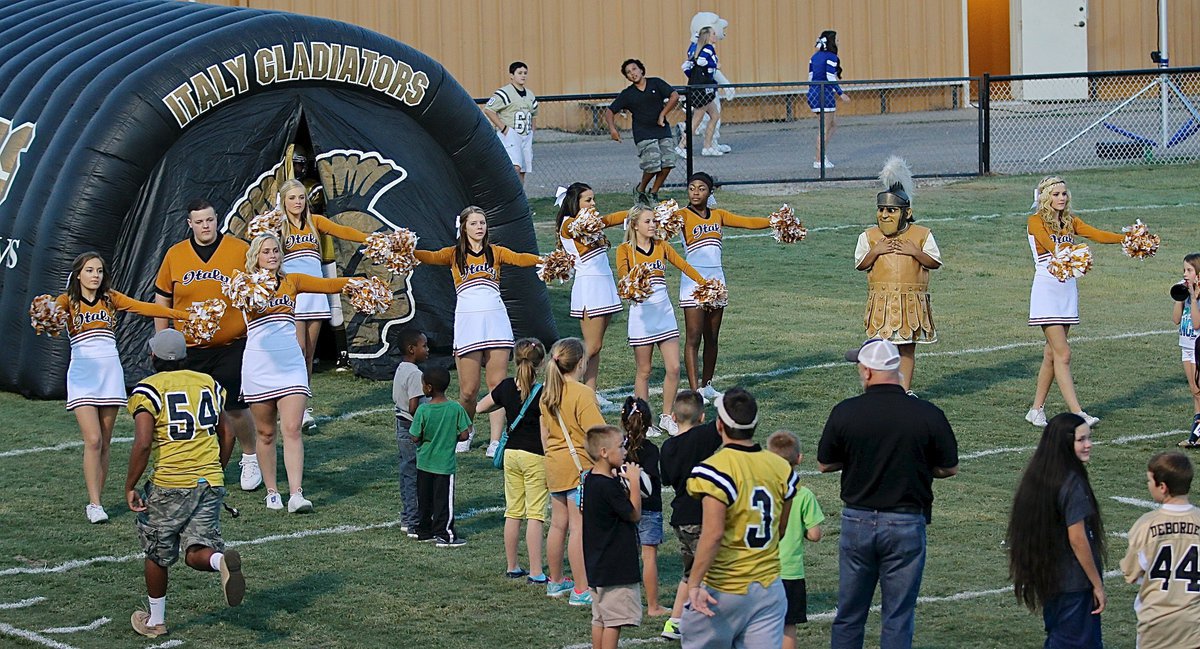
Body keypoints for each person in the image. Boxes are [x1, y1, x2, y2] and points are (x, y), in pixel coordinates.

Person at [818, 338, 959, 649]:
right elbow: (949, 468)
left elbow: (825, 464)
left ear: (868, 372)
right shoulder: (927, 413)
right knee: (897, 616)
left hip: (857, 520)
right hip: (907, 522)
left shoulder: (846, 411)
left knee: (850, 614)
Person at [125, 329, 244, 638]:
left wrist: (130, 485)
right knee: (197, 551)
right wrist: (218, 468)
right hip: (210, 481)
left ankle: (156, 621)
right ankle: (220, 561)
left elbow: (142, 443)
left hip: (171, 482)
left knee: (157, 552)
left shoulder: (148, 389)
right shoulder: (208, 383)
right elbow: (228, 433)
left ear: (154, 357)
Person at [51, 252, 186, 523]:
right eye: (90, 271)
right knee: (93, 439)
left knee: (105, 441)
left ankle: (97, 500)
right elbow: (49, 319)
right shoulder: (67, 301)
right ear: (78, 274)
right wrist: (45, 316)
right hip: (82, 374)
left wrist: (180, 315)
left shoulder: (110, 298)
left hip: (110, 372)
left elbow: (144, 308)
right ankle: (93, 503)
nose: (95, 276)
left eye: (99, 271)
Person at [240, 234, 354, 513]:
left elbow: (327, 285)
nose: (272, 255)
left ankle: (296, 494)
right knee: (266, 433)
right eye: (266, 251)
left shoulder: (292, 281)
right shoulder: (244, 285)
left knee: (291, 429)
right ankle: (272, 492)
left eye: (276, 250)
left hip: (291, 364)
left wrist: (354, 283)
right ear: (255, 256)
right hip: (259, 365)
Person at [415, 206, 542, 455]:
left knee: (497, 385)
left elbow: (520, 258)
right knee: (468, 390)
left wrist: (543, 260)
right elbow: (428, 256)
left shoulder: (496, 253)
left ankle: (496, 440)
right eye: (473, 223)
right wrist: (404, 250)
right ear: (463, 227)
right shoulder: (453, 255)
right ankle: (467, 431)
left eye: (482, 222)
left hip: (495, 320)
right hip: (468, 323)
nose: (479, 227)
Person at [155, 199, 261, 493]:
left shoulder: (239, 250)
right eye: (199, 221)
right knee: (196, 410)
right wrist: (162, 338)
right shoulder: (175, 255)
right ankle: (200, 463)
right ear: (189, 223)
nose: (205, 226)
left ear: (218, 220)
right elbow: (163, 297)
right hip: (190, 348)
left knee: (236, 406)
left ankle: (250, 457)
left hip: (232, 343)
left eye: (210, 220)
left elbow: (258, 289)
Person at [683, 388, 797, 648]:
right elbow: (780, 529)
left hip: (725, 586)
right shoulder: (781, 467)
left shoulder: (714, 468)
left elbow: (712, 534)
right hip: (768, 587)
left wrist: (694, 583)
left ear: (720, 424)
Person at [1024, 176, 1125, 429]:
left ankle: (1036, 410)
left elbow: (1098, 235)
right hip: (1047, 290)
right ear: (1045, 197)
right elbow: (1049, 246)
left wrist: (1127, 239)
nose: (1061, 198)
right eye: (1056, 194)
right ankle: (1078, 413)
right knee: (1064, 353)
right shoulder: (1035, 221)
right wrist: (1063, 252)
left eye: (1064, 194)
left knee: (1052, 353)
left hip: (1067, 290)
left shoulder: (1070, 222)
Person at [276, 178, 370, 429]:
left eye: (300, 197)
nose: (297, 202)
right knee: (296, 352)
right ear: (283, 201)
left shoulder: (314, 222)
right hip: (293, 293)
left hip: (316, 293)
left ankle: (303, 406)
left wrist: (369, 239)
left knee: (308, 355)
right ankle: (287, 401)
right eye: (292, 198)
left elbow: (343, 231)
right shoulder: (278, 226)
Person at [1006, 413, 1104, 649]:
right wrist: (1097, 583)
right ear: (1065, 442)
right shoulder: (1072, 483)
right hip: (1073, 582)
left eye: (1088, 439)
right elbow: (1078, 538)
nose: (1088, 445)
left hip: (1049, 577)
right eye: (1081, 440)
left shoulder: (1040, 476)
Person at [674, 173, 772, 400]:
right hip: (693, 281)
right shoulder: (680, 216)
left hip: (717, 280)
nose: (695, 193)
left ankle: (708, 385)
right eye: (691, 188)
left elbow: (747, 222)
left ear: (710, 192)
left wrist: (773, 221)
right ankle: (695, 389)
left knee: (712, 336)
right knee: (693, 336)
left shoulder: (718, 216)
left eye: (701, 188)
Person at [616, 204, 707, 435]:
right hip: (642, 316)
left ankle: (667, 417)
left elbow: (683, 265)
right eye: (647, 221)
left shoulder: (662, 246)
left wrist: (703, 283)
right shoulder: (625, 250)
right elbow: (623, 279)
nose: (653, 225)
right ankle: (644, 421)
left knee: (674, 368)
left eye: (654, 221)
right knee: (644, 370)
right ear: (635, 225)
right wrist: (632, 285)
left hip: (664, 314)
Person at [854, 157, 941, 393]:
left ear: (906, 212)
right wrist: (876, 251)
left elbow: (934, 262)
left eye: (891, 210)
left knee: (907, 349)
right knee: (881, 347)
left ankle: (903, 390)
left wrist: (915, 252)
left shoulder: (922, 235)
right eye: (881, 210)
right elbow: (861, 265)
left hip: (910, 302)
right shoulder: (869, 237)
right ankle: (880, 388)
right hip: (881, 302)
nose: (884, 215)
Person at [477, 338, 548, 581]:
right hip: (535, 455)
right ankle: (537, 571)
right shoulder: (543, 392)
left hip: (510, 454)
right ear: (541, 364)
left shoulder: (506, 387)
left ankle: (512, 566)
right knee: (535, 514)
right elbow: (544, 431)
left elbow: (480, 407)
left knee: (513, 511)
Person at [540, 337, 605, 605]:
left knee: (557, 524)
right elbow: (596, 432)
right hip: (580, 466)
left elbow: (545, 431)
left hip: (555, 463)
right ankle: (581, 589)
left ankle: (555, 581)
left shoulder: (547, 392)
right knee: (578, 529)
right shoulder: (582, 393)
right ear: (580, 363)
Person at [555, 182, 627, 405]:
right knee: (591, 346)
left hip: (604, 284)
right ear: (574, 202)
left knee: (596, 346)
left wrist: (635, 213)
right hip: (590, 288)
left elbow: (608, 220)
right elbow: (597, 223)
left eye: (593, 199)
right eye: (588, 200)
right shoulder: (569, 224)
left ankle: (590, 392)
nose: (593, 204)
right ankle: (564, 385)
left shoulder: (590, 222)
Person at [1120, 451, 1200, 649]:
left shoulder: (1146, 525)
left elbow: (1130, 573)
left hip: (1156, 623)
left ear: (1162, 487)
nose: (1148, 486)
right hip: (1194, 625)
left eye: (1150, 481)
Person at [658, 390, 721, 640]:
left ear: (673, 416)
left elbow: (666, 479)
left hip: (679, 517)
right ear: (702, 417)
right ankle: (706, 623)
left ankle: (675, 621)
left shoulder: (668, 446)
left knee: (690, 572)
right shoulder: (703, 437)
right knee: (710, 572)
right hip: (701, 516)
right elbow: (724, 423)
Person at [582, 424, 643, 649]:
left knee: (600, 619)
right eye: (621, 446)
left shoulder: (591, 479)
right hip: (615, 566)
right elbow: (634, 514)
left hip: (597, 563)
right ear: (604, 453)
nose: (625, 451)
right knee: (614, 622)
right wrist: (634, 483)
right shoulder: (608, 487)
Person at [767, 430, 825, 649]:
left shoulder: (761, 491)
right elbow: (815, 534)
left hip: (760, 570)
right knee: (788, 626)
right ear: (799, 459)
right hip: (790, 572)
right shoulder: (804, 494)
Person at [411, 365, 472, 547]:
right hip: (444, 465)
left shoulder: (422, 410)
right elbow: (464, 435)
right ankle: (445, 534)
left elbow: (414, 436)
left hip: (424, 463)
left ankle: (424, 530)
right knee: (443, 501)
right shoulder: (455, 408)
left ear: (428, 387)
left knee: (424, 499)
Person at [604, 59, 681, 204]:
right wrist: (613, 129)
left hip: (661, 128)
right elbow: (609, 111)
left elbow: (674, 96)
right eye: (628, 72)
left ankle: (653, 192)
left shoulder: (656, 83)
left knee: (668, 162)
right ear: (627, 77)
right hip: (643, 132)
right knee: (652, 164)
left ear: (641, 69)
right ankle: (640, 189)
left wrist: (663, 114)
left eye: (634, 69)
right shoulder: (628, 94)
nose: (632, 73)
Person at [620, 396, 668, 616]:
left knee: (626, 556)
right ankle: (653, 606)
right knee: (649, 558)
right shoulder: (652, 450)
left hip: (625, 507)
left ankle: (625, 604)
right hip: (650, 508)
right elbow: (654, 480)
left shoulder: (619, 448)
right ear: (649, 424)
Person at [391, 328, 429, 536]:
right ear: (411, 349)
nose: (428, 350)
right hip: (411, 426)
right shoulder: (415, 374)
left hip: (400, 423)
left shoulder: (402, 368)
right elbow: (414, 406)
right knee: (416, 475)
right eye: (424, 346)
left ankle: (407, 517)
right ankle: (415, 521)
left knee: (407, 473)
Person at [484, 61, 538, 184]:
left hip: (525, 134)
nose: (523, 76)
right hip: (511, 134)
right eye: (519, 73)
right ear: (512, 75)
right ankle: (509, 196)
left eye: (525, 73)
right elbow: (489, 110)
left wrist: (532, 130)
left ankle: (520, 197)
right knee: (515, 167)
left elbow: (534, 113)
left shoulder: (529, 94)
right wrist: (504, 129)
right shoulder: (504, 93)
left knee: (523, 169)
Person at [806, 30, 851, 169]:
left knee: (832, 125)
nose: (838, 42)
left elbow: (810, 76)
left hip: (814, 93)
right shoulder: (831, 57)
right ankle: (819, 159)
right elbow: (830, 77)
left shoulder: (814, 57)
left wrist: (811, 92)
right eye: (836, 39)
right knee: (825, 127)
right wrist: (841, 93)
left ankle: (820, 155)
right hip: (824, 94)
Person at [680, 27, 723, 157]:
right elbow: (701, 61)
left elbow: (686, 67)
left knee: (715, 115)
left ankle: (707, 146)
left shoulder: (698, 49)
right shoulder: (708, 48)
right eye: (713, 34)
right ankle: (682, 145)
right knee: (696, 119)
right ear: (708, 36)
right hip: (702, 90)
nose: (716, 36)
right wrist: (715, 65)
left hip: (702, 89)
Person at [1173, 254, 1200, 447]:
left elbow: (1197, 323)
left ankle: (1195, 436)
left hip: (1197, 347)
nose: (1185, 274)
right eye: (1184, 270)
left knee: (1199, 391)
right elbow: (1175, 319)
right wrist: (1179, 297)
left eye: (1189, 270)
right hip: (1185, 345)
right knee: (1195, 392)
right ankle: (1196, 435)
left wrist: (1192, 296)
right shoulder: (1186, 292)